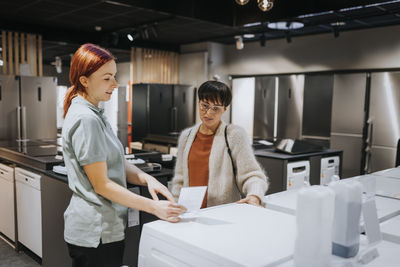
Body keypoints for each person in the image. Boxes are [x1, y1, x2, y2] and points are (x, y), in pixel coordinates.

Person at [62, 43, 186, 267]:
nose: (115, 84)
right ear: (84, 80)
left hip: (104, 227)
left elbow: (116, 162)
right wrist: (153, 207)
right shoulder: (86, 119)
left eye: (114, 77)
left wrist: (147, 178)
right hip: (96, 231)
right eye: (107, 78)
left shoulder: (96, 113)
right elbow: (102, 185)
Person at [171, 80, 269, 208]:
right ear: (199, 103)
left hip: (221, 212)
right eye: (205, 106)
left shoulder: (234, 135)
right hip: (189, 212)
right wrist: (174, 204)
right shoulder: (187, 136)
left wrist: (254, 196)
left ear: (224, 109)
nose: (209, 113)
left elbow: (252, 175)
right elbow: (180, 179)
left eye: (215, 108)